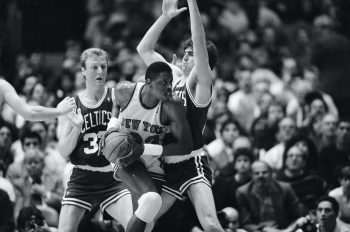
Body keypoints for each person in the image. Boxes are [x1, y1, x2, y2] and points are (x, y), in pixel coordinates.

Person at [136, 0, 223, 231]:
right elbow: (143, 49)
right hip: (166, 166)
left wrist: (192, 3)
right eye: (184, 53)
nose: (185, 57)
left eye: (191, 54)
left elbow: (199, 42)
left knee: (211, 225)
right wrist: (165, 16)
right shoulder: (171, 78)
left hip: (191, 163)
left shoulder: (200, 87)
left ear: (204, 63)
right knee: (142, 222)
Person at [102, 61, 193, 232]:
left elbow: (186, 146)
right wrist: (110, 131)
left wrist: (144, 149)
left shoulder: (173, 105)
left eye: (170, 83)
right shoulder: (125, 91)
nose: (168, 87)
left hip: (152, 163)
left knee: (148, 223)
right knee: (151, 200)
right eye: (163, 82)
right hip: (125, 157)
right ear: (148, 82)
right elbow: (115, 109)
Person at [57, 48, 133, 232]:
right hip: (82, 178)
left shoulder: (118, 97)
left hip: (112, 177)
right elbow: (63, 151)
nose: (100, 71)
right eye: (94, 67)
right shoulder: (70, 105)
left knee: (137, 227)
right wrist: (76, 128)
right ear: (83, 71)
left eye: (103, 67)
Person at [236, 161, 304, 232]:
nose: (261, 176)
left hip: (284, 229)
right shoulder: (243, 192)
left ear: (271, 174)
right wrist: (266, 229)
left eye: (264, 172)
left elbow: (298, 215)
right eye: (257, 173)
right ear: (251, 175)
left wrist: (289, 229)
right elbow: (246, 223)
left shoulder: (285, 189)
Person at [0, 78, 75, 121]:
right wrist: (59, 111)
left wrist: (60, 111)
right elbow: (30, 113)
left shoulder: (2, 86)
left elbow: (30, 113)